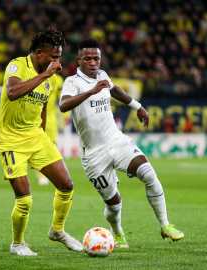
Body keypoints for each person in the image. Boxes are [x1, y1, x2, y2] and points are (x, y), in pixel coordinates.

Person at [59, 38, 184, 248]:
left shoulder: (103, 75)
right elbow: (63, 105)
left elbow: (114, 90)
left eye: (96, 58)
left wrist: (138, 106)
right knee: (113, 203)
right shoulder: (73, 82)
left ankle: (165, 225)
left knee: (147, 172)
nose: (93, 63)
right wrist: (91, 91)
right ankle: (117, 233)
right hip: (93, 155)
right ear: (79, 60)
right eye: (88, 59)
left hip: (116, 141)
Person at [0, 28, 83, 256]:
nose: (57, 62)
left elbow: (42, 110)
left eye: (59, 57)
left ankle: (58, 231)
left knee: (66, 185)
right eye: (54, 57)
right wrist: (44, 75)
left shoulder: (51, 80)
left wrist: (42, 140)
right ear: (39, 53)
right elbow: (13, 92)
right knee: (24, 199)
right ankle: (18, 244)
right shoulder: (17, 66)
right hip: (10, 139)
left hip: (36, 137)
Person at [36, 73, 64, 185]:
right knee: (38, 147)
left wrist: (66, 115)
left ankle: (52, 172)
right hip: (35, 118)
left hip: (51, 119)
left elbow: (61, 97)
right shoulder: (35, 76)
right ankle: (41, 175)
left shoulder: (58, 79)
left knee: (52, 147)